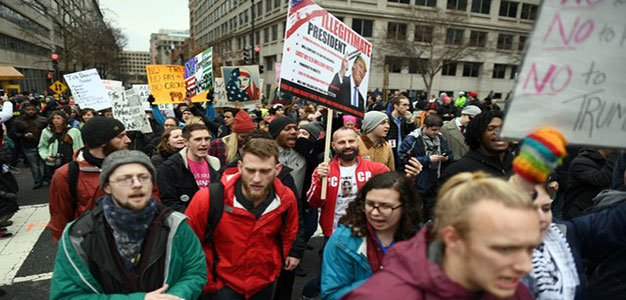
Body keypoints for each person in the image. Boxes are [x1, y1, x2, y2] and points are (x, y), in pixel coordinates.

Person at [343, 172, 541, 300]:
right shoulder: (380, 295)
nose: (525, 267)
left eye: (530, 248)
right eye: (504, 249)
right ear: (453, 239)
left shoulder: (513, 292)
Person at [49, 150, 207, 300]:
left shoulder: (176, 224)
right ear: (107, 187)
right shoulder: (79, 234)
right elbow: (67, 295)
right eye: (125, 179)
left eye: (144, 177)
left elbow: (194, 272)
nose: (137, 184)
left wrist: (175, 295)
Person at [185, 138, 298, 299]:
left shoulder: (286, 199)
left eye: (265, 171)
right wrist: (209, 283)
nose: (257, 179)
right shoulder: (209, 198)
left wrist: (275, 267)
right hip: (220, 286)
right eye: (250, 170)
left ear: (277, 170)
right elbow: (188, 243)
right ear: (240, 167)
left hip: (264, 284)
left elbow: (289, 233)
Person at [321, 172, 422, 299]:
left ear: (405, 207)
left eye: (386, 206)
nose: (374, 213)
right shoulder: (342, 241)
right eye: (369, 204)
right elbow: (332, 295)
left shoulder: (420, 239)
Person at [48, 116, 138, 242]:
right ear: (103, 142)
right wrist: (70, 253)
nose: (128, 140)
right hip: (92, 247)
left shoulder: (136, 166)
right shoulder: (66, 174)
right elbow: (60, 220)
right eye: (120, 136)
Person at [157, 123, 220, 212]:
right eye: (198, 139)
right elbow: (168, 202)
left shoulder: (216, 164)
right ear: (186, 142)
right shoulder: (170, 167)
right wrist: (193, 215)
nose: (204, 143)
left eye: (207, 139)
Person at [440, 110, 513, 183]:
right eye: (490, 129)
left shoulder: (519, 163)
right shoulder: (459, 170)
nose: (499, 133)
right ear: (478, 135)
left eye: (503, 128)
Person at [399, 115, 452, 207]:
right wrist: (428, 159)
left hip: (436, 180)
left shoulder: (441, 138)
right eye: (434, 130)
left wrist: (446, 158)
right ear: (424, 127)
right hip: (419, 182)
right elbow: (404, 159)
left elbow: (449, 154)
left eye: (439, 130)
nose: (437, 132)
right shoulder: (412, 139)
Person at [563, 147, 614, 219]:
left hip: (598, 213)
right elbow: (601, 179)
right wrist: (615, 156)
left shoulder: (605, 162)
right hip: (578, 214)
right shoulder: (580, 162)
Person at [37, 110, 83, 181]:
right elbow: (42, 146)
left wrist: (79, 160)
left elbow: (80, 147)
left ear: (63, 119)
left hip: (70, 161)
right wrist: (46, 156)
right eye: (53, 118)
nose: (55, 120)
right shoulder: (46, 131)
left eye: (58, 118)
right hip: (54, 161)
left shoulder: (74, 131)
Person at [11, 102, 47, 188]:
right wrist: (23, 135)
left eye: (33, 110)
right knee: (34, 165)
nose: (31, 112)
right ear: (24, 111)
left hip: (43, 145)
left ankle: (48, 178)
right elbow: (13, 133)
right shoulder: (18, 121)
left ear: (36, 111)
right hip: (28, 146)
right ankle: (38, 181)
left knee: (47, 164)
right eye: (28, 110)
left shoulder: (43, 120)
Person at [386, 95, 417, 171]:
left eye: (408, 105)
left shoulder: (404, 119)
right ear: (396, 106)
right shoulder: (387, 119)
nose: (407, 108)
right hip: (391, 154)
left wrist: (410, 122)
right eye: (404, 105)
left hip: (403, 155)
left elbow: (412, 134)